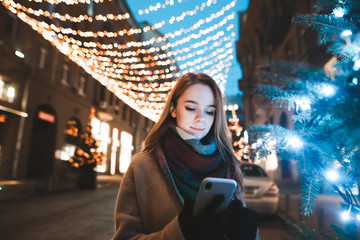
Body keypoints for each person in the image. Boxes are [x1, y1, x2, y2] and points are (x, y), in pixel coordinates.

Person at [113, 73, 259, 240]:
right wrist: (181, 232)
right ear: (173, 109)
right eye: (190, 108)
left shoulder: (228, 165)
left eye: (210, 111)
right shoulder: (142, 166)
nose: (201, 119)